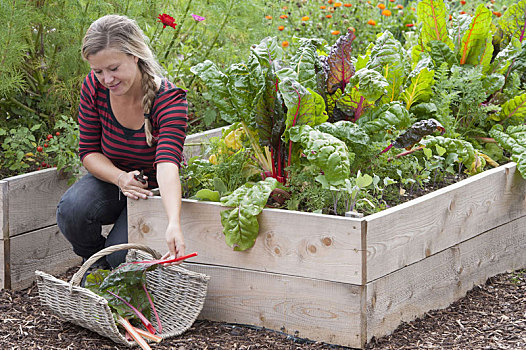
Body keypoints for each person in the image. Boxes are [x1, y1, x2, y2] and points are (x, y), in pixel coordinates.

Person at [57, 14, 187, 269]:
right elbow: (89, 152)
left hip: (152, 191)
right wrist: (119, 178)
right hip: (113, 180)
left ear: (135, 56)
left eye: (114, 69)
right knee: (72, 212)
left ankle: (110, 266)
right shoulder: (94, 88)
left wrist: (174, 222)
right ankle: (96, 265)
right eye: (98, 71)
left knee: (122, 255)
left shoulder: (169, 100)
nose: (107, 79)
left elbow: (167, 166)